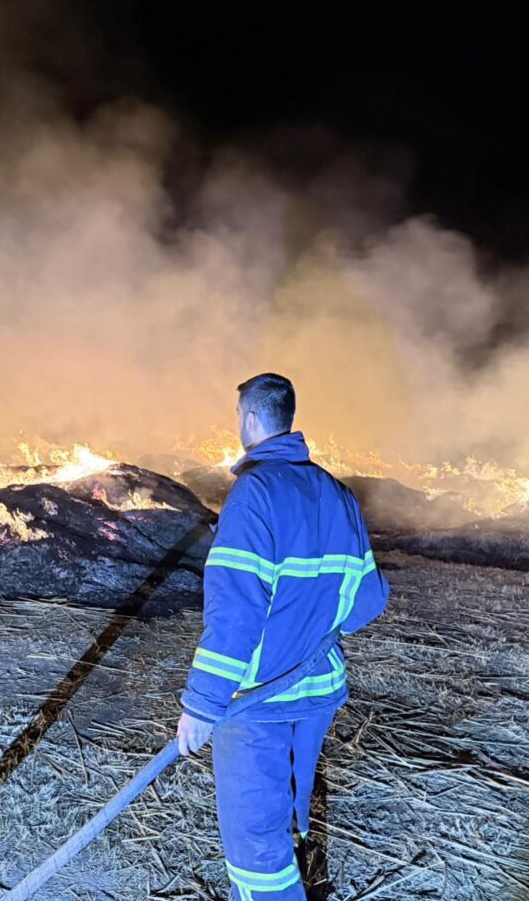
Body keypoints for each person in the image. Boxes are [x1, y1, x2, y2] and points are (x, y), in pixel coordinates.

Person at [176, 373, 389, 901]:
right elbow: (370, 599)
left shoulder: (254, 494)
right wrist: (311, 631)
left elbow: (236, 616)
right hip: (316, 693)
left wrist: (203, 704)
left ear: (250, 420)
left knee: (255, 845)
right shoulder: (336, 494)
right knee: (292, 806)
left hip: (256, 703)